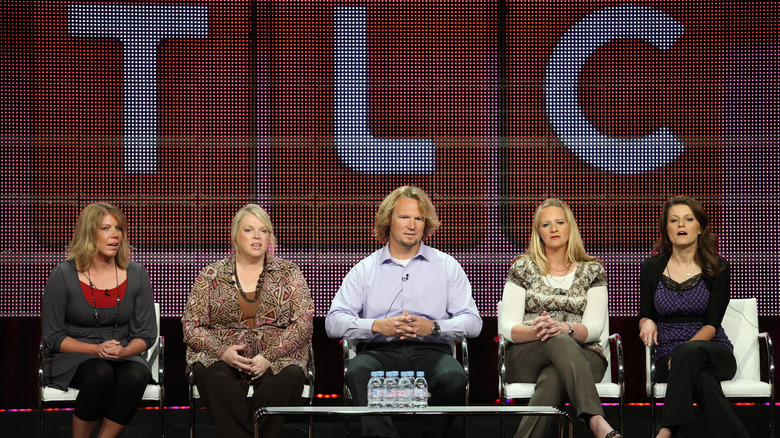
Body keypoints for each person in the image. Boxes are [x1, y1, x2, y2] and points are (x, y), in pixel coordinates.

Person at [325, 185, 482, 438]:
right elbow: (333, 322)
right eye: (404, 217)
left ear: (426, 224)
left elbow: (473, 322)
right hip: (379, 351)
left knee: (453, 377)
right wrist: (376, 326)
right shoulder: (365, 269)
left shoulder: (446, 266)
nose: (412, 225)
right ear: (389, 221)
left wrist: (433, 327)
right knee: (357, 372)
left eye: (419, 218)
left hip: (431, 350)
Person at [183, 204, 314, 438]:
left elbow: (303, 323)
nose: (257, 237)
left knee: (286, 378)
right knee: (211, 374)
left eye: (263, 231)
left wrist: (269, 356)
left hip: (279, 357)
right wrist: (223, 352)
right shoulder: (211, 275)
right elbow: (192, 327)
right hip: (223, 355)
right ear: (235, 235)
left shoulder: (288, 272)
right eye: (249, 230)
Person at [498, 198, 621, 438]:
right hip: (528, 354)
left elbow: (595, 328)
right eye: (546, 224)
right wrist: (541, 331)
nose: (553, 229)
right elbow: (507, 327)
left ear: (570, 227)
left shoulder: (592, 270)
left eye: (559, 222)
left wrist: (565, 327)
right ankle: (596, 420)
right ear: (538, 232)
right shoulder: (522, 267)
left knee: (554, 376)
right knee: (558, 339)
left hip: (585, 356)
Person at [41, 202, 157, 438]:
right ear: (88, 233)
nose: (115, 235)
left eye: (118, 228)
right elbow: (53, 337)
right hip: (73, 355)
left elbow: (145, 334)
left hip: (121, 351)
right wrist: (95, 349)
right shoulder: (63, 275)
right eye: (105, 228)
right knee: (101, 374)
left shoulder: (136, 274)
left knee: (137, 374)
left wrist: (123, 353)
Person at [638, 196, 749, 438]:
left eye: (688, 219)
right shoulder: (651, 268)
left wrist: (683, 352)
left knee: (689, 356)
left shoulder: (718, 268)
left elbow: (712, 324)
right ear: (666, 229)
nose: (681, 225)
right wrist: (645, 321)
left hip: (713, 352)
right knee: (703, 382)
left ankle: (666, 431)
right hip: (667, 357)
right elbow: (645, 313)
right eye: (674, 220)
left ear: (700, 228)